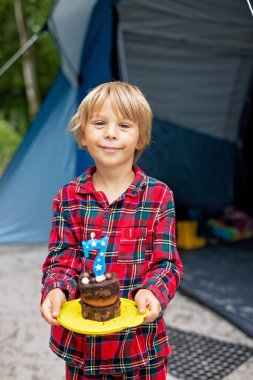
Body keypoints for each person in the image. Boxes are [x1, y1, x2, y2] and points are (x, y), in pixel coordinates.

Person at [40, 81, 183, 380]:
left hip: (140, 347)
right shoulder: (67, 198)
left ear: (140, 137)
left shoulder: (159, 196)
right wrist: (56, 288)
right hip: (84, 349)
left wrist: (152, 291)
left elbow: (166, 263)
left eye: (124, 125)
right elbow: (61, 258)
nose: (110, 133)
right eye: (100, 123)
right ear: (83, 134)